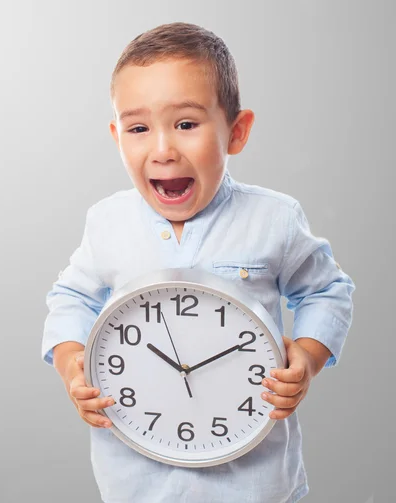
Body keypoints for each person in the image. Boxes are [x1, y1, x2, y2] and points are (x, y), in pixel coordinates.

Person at [41, 22, 355, 503]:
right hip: (135, 478)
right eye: (139, 128)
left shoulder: (273, 218)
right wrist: (70, 364)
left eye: (186, 124)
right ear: (117, 136)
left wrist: (308, 359)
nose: (163, 150)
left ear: (237, 131)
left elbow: (326, 290)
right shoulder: (107, 222)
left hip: (255, 478)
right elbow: (72, 296)